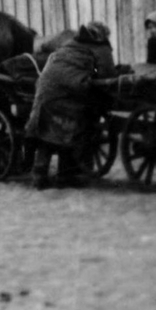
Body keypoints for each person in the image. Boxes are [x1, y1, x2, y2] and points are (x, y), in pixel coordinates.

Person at [24, 21, 118, 190]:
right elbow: (107, 74)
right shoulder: (101, 48)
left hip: (45, 91)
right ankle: (65, 175)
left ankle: (39, 176)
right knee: (71, 127)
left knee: (46, 133)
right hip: (67, 94)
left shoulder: (70, 43)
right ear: (103, 36)